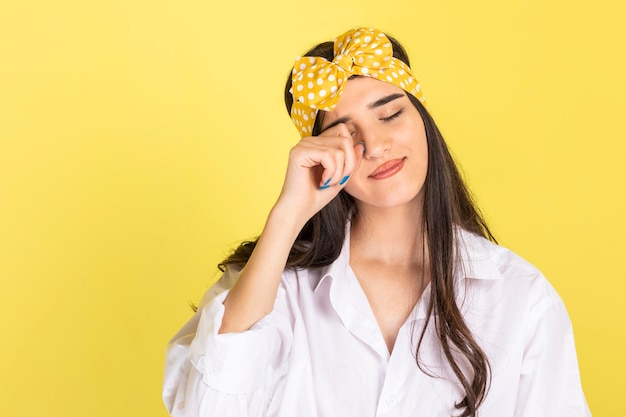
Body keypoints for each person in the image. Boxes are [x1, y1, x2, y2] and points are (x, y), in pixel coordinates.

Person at [162, 27, 591, 417]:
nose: (376, 145)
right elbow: (204, 407)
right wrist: (288, 215)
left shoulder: (522, 299)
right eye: (345, 133)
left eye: (390, 114)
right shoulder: (270, 289)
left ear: (423, 120)